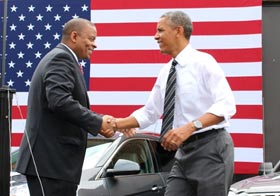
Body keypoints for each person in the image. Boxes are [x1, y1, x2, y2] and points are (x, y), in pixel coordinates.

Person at [115, 11, 236, 196]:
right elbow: (150, 112)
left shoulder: (203, 62)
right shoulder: (166, 72)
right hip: (183, 153)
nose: (155, 36)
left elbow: (226, 104)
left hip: (211, 149)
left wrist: (190, 127)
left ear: (178, 31)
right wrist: (115, 124)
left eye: (160, 30)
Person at [15, 18, 119, 196]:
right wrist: (98, 122)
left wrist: (103, 121)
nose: (95, 45)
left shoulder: (63, 58)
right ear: (74, 36)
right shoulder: (61, 58)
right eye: (92, 39)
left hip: (54, 165)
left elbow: (66, 103)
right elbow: (60, 101)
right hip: (51, 164)